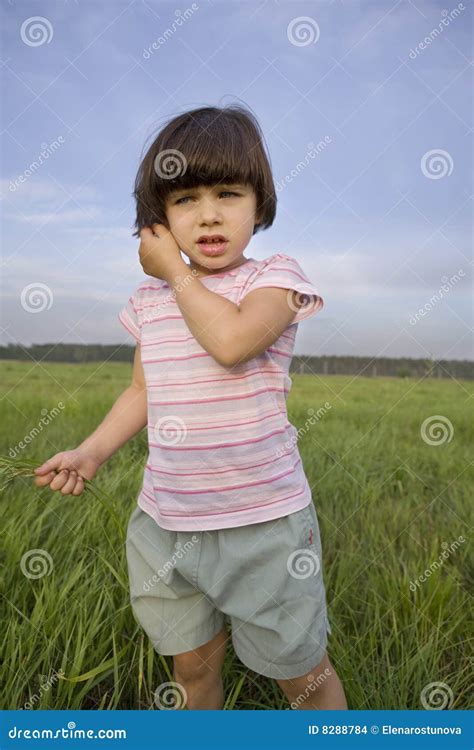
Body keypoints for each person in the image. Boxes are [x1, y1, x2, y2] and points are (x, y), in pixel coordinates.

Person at [34, 104, 347, 711]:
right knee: (192, 670)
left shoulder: (276, 279)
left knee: (303, 680)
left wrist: (177, 276)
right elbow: (142, 393)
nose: (208, 214)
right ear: (159, 219)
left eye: (228, 193)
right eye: (184, 199)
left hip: (262, 523)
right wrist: (91, 450)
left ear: (260, 204)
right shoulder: (151, 302)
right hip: (168, 521)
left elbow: (230, 342)